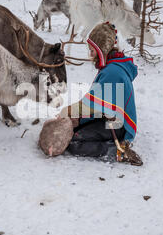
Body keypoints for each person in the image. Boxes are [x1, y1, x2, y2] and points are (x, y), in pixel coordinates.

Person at [59, 22, 143, 166]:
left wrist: (67, 112)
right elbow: (98, 103)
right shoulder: (113, 65)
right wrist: (78, 119)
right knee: (75, 128)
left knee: (74, 142)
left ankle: (117, 151)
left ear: (102, 50)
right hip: (108, 117)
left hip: (118, 126)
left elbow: (91, 106)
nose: (90, 54)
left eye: (92, 50)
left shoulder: (112, 72)